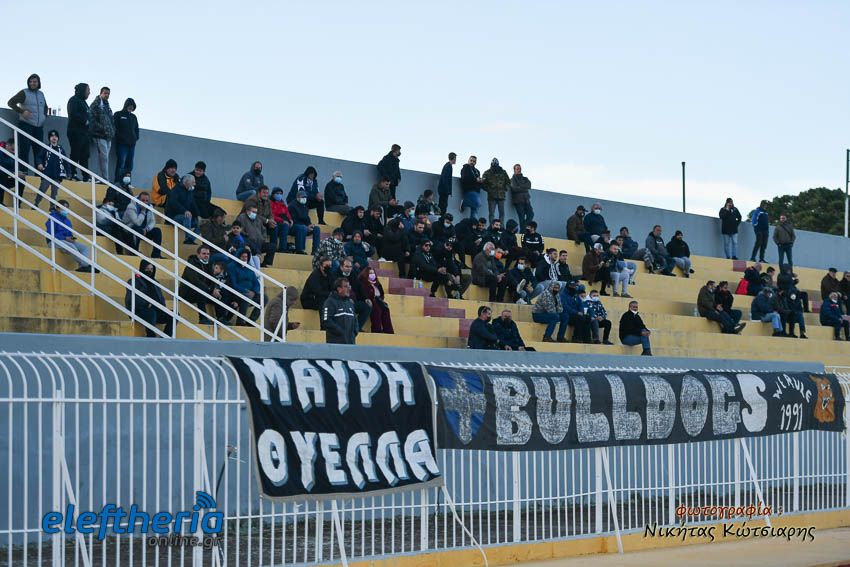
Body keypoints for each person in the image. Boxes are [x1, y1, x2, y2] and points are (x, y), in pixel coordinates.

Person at [46, 200, 97, 272]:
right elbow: (50, 233)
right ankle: (86, 265)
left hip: (66, 241)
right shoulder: (52, 218)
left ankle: (82, 267)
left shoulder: (67, 221)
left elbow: (69, 233)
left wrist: (71, 238)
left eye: (67, 208)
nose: (65, 209)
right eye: (63, 207)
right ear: (57, 208)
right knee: (71, 246)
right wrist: (64, 238)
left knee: (85, 248)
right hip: (54, 241)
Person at [125, 259, 172, 337]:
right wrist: (146, 304)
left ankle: (165, 337)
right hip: (140, 311)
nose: (149, 271)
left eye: (151, 269)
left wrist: (163, 307)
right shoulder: (134, 281)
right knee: (151, 313)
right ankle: (150, 335)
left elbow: (161, 298)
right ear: (142, 268)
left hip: (156, 311)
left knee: (174, 315)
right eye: (147, 269)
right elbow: (131, 298)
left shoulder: (155, 283)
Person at [7, 74, 47, 166]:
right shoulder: (24, 93)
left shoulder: (41, 94)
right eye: (30, 81)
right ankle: (23, 172)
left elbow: (45, 107)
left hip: (38, 128)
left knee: (39, 152)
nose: (32, 83)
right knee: (24, 150)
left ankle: (38, 174)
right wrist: (22, 111)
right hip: (26, 125)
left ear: (38, 83)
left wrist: (44, 117)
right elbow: (11, 102)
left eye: (35, 81)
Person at [179, 245, 219, 324]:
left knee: (221, 292)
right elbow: (195, 281)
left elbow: (213, 280)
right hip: (188, 293)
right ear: (198, 254)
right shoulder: (191, 264)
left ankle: (221, 318)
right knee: (201, 290)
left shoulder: (209, 264)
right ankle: (202, 318)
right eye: (204, 253)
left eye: (208, 254)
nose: (206, 255)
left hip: (204, 291)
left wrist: (214, 289)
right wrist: (210, 289)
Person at [227, 248, 266, 323]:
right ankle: (240, 321)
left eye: (246, 257)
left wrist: (254, 292)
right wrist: (246, 291)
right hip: (237, 293)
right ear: (238, 256)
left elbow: (256, 283)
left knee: (264, 298)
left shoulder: (249, 268)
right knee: (246, 297)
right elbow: (233, 284)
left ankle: (251, 320)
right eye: (242, 256)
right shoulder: (232, 266)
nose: (244, 258)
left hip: (251, 293)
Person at [33, 129, 69, 209]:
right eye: (52, 136)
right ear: (49, 138)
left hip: (57, 175)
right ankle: (36, 203)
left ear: (58, 138)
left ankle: (52, 207)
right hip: (47, 173)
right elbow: (39, 157)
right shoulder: (46, 148)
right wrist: (39, 164)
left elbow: (65, 161)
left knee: (54, 192)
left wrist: (69, 173)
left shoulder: (61, 149)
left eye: (55, 136)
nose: (54, 138)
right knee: (42, 189)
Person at [235, 202, 276, 268]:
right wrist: (247, 235)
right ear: (247, 211)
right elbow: (239, 230)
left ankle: (266, 263)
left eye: (256, 212)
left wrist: (263, 238)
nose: (255, 214)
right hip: (249, 243)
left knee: (272, 246)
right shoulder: (241, 218)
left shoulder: (258, 219)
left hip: (260, 243)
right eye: (253, 212)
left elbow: (263, 230)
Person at [123, 192, 163, 259]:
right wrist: (143, 211)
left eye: (146, 201)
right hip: (129, 230)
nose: (145, 203)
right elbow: (137, 223)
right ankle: (134, 251)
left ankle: (156, 254)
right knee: (137, 229)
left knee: (157, 231)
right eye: (143, 200)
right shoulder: (131, 207)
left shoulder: (149, 207)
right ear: (138, 199)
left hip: (143, 230)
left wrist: (146, 229)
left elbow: (152, 221)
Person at [243, 185, 280, 256]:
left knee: (274, 227)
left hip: (262, 222)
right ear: (258, 193)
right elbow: (253, 215)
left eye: (267, 193)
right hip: (250, 221)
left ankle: (273, 249)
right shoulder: (252, 200)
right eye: (264, 193)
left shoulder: (268, 201)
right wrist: (267, 221)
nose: (266, 195)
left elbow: (270, 213)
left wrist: (271, 220)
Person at [336, 258, 372, 330]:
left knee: (367, 307)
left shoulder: (353, 274)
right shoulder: (335, 275)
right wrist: (346, 299)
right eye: (346, 266)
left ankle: (356, 328)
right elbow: (335, 291)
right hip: (340, 302)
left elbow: (360, 287)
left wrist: (366, 298)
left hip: (353, 302)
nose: (349, 269)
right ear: (341, 267)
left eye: (350, 267)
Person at [165, 175, 201, 244]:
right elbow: (173, 203)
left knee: (202, 224)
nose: (195, 184)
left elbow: (193, 204)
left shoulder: (190, 191)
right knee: (187, 217)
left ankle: (190, 239)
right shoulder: (175, 190)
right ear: (186, 182)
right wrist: (184, 211)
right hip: (173, 217)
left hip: (186, 218)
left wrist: (198, 215)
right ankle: (187, 238)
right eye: (193, 182)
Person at [66, 83, 91, 181]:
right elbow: (73, 114)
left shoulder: (84, 103)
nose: (89, 92)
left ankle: (86, 176)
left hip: (85, 133)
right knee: (75, 153)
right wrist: (84, 121)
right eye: (88, 90)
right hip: (75, 132)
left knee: (85, 155)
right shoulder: (73, 100)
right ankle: (72, 173)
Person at [358, 267, 394, 333]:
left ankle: (388, 330)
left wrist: (380, 299)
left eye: (373, 273)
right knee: (377, 309)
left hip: (378, 300)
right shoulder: (363, 283)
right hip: (369, 301)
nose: (372, 275)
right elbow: (364, 294)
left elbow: (382, 293)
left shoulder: (377, 284)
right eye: (370, 273)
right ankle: (377, 330)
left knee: (385, 309)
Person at [322, 277, 358, 344]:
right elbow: (326, 321)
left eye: (349, 286)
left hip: (351, 343)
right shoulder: (330, 302)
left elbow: (355, 320)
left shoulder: (350, 303)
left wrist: (354, 332)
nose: (349, 289)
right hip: (335, 344)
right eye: (346, 286)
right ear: (339, 289)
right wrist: (341, 332)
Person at [88, 87, 114, 180]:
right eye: (105, 93)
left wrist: (112, 130)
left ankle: (103, 178)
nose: (107, 95)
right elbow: (92, 119)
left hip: (108, 136)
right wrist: (101, 128)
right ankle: (105, 179)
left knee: (105, 158)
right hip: (100, 135)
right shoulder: (95, 104)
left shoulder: (107, 106)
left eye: (108, 94)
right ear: (101, 93)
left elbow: (111, 120)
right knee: (104, 157)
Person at [112, 98, 138, 182]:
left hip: (131, 145)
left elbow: (136, 129)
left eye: (132, 106)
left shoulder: (134, 117)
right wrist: (121, 138)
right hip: (122, 144)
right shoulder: (118, 114)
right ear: (126, 105)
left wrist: (135, 138)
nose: (131, 107)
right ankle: (118, 181)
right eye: (130, 105)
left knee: (129, 165)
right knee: (121, 163)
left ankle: (127, 182)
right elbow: (114, 128)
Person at [482, 158, 509, 223]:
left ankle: (501, 227)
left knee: (502, 214)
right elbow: (483, 183)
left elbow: (508, 182)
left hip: (501, 196)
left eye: (496, 164)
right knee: (491, 214)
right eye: (493, 164)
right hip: (491, 196)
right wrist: (489, 190)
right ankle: (492, 227)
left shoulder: (503, 172)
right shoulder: (487, 173)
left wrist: (505, 188)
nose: (494, 165)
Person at [0, 138, 26, 206]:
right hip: (1, 178)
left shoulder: (12, 155)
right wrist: (12, 173)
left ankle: (18, 204)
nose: (14, 152)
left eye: (15, 150)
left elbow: (13, 169)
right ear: (7, 145)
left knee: (21, 180)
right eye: (12, 149)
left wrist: (18, 173)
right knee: (2, 176)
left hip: (5, 180)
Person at [508, 163, 534, 230]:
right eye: (517, 169)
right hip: (518, 201)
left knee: (531, 214)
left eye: (520, 168)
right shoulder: (512, 179)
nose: (519, 170)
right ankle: (522, 232)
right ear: (514, 170)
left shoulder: (525, 178)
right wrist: (524, 187)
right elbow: (514, 189)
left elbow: (529, 185)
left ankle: (524, 228)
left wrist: (520, 186)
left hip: (526, 200)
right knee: (521, 217)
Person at [267, 187, 293, 252]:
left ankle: (283, 248)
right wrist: (282, 220)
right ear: (273, 194)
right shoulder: (270, 203)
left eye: (280, 194)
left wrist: (290, 220)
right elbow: (271, 215)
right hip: (273, 221)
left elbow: (287, 213)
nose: (279, 195)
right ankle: (273, 247)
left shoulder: (283, 204)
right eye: (277, 193)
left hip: (282, 222)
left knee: (285, 226)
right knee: (275, 226)